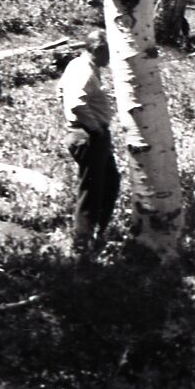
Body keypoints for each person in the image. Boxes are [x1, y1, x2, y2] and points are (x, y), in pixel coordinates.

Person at [59, 36, 119, 262]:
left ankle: (97, 233)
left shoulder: (76, 64)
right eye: (109, 53)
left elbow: (60, 91)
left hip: (83, 133)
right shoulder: (85, 71)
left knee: (110, 182)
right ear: (99, 50)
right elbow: (76, 103)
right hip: (89, 135)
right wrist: (96, 128)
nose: (111, 58)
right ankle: (82, 244)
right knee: (91, 191)